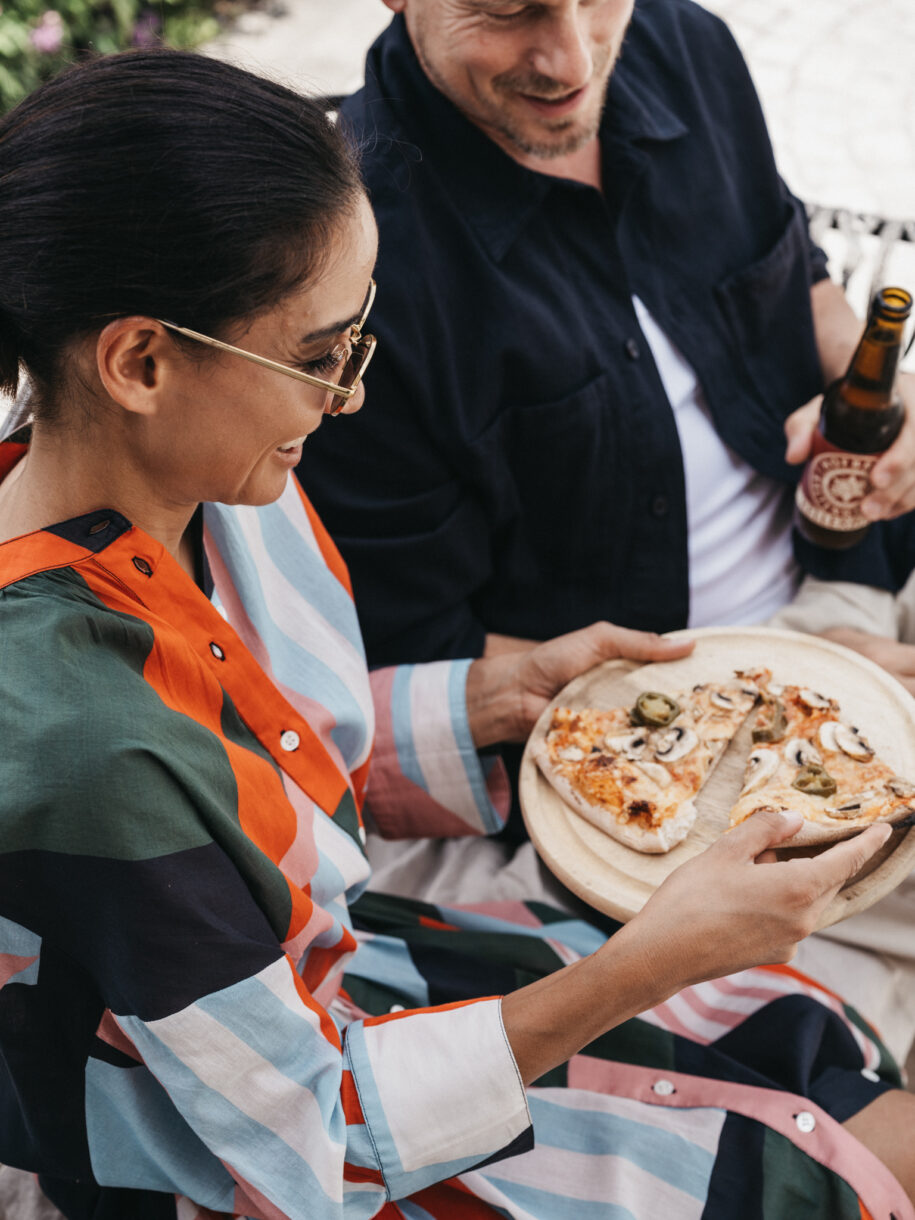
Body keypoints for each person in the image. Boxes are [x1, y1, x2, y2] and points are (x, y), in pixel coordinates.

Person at [1, 48, 914, 1220]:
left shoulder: (211, 483)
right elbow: (311, 1146)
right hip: (251, 1143)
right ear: (140, 360)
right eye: (319, 357)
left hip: (350, 964)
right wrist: (646, 961)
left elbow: (261, 773)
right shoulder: (85, 744)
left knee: (799, 1037)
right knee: (807, 1171)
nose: (352, 399)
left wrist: (501, 695)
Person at [300, 0, 915, 667]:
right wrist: (791, 676)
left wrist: (891, 392)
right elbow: (420, 642)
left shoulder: (687, 42)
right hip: (650, 696)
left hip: (862, 557)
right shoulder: (344, 263)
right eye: (510, 11)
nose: (574, 62)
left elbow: (800, 273)